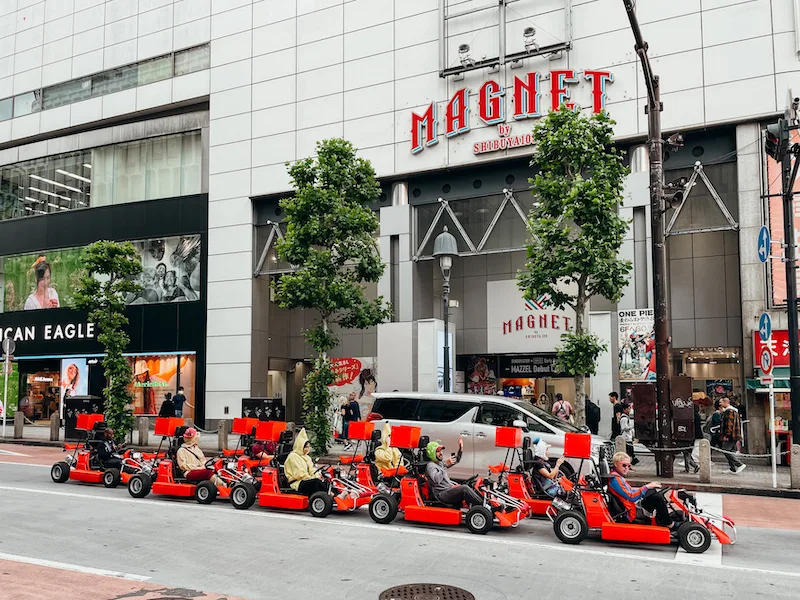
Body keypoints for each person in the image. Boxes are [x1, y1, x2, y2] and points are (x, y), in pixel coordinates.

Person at [608, 452, 675, 528]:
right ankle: (668, 523)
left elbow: (630, 492)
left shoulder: (618, 478)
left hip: (631, 507)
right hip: (630, 513)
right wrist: (646, 487)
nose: (626, 468)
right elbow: (631, 496)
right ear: (616, 464)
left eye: (629, 466)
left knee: (652, 492)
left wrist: (647, 488)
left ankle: (662, 519)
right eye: (624, 465)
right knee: (657, 498)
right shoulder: (615, 479)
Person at [424, 437, 483, 507]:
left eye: (441, 451)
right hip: (442, 494)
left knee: (471, 484)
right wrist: (445, 465)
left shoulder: (439, 463)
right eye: (438, 451)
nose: (441, 453)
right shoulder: (430, 466)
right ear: (432, 453)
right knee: (464, 488)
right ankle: (483, 507)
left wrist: (460, 449)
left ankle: (484, 504)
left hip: (448, 489)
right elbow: (437, 480)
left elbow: (456, 460)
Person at [284, 428, 329, 496]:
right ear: (300, 446)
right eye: (305, 447)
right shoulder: (292, 457)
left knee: (326, 481)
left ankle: (336, 495)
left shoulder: (307, 457)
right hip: (297, 483)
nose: (307, 449)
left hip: (307, 479)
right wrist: (313, 478)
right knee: (316, 483)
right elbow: (299, 474)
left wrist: (317, 476)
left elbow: (312, 469)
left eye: (308, 447)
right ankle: (333, 496)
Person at [720, 396, 746, 474]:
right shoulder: (734, 411)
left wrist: (726, 435)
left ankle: (739, 464)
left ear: (726, 402)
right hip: (735, 434)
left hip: (731, 435)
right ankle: (732, 468)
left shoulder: (729, 411)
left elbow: (729, 424)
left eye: (721, 402)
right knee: (730, 451)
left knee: (726, 450)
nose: (720, 404)